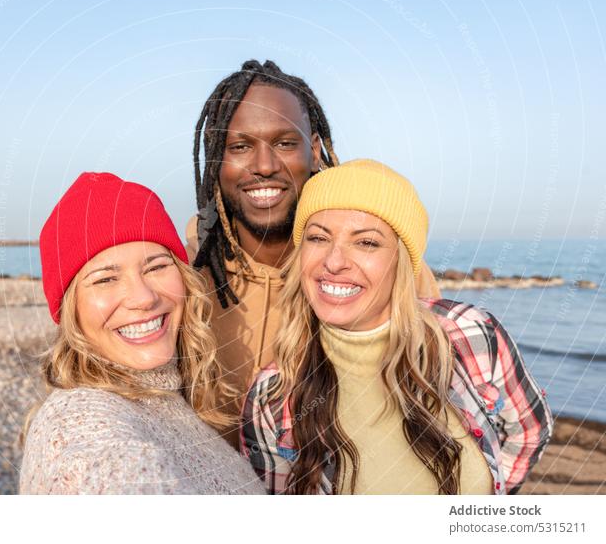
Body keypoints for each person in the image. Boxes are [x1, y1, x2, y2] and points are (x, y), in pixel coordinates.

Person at [240, 159, 552, 495]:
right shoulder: (271, 398)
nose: (333, 262)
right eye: (318, 238)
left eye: (367, 243)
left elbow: (530, 429)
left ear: (401, 261)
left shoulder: (470, 334)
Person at [187, 59, 440, 447]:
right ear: (217, 162)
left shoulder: (383, 269)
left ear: (316, 149)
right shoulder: (186, 275)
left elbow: (446, 400)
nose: (264, 166)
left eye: (285, 143)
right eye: (239, 147)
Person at [20, 172, 265, 494]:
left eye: (156, 267)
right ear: (70, 309)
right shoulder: (78, 424)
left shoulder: (175, 401)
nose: (144, 297)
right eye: (106, 279)